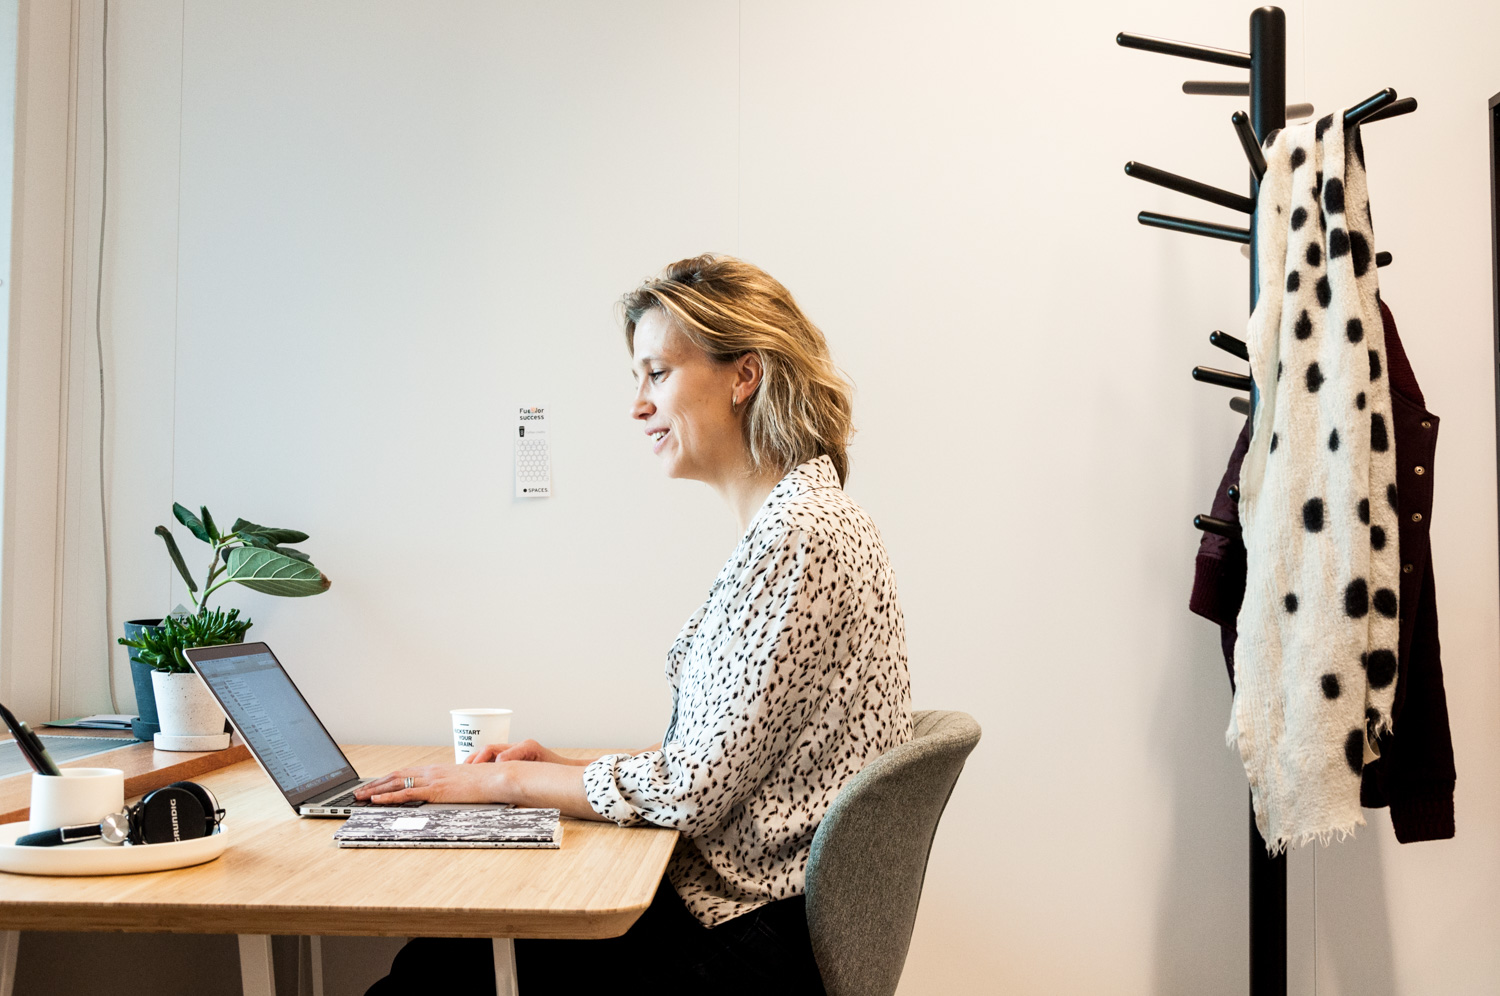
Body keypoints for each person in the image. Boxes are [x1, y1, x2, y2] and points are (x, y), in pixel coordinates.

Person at [363, 254, 912, 996]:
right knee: (445, 958)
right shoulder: (797, 521)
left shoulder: (800, 532)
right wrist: (555, 772)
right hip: (752, 914)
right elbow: (721, 759)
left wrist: (509, 783)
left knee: (443, 967)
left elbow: (693, 793)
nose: (638, 405)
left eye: (657, 373)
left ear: (742, 376)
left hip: (748, 936)